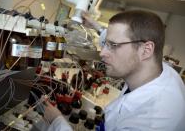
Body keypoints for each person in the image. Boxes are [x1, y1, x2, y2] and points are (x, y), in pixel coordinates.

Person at [43, 10, 185, 131]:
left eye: (113, 45)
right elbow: (120, 39)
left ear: (146, 50)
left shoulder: (152, 122)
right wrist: (96, 26)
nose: (102, 53)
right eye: (106, 43)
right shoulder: (160, 69)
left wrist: (58, 122)